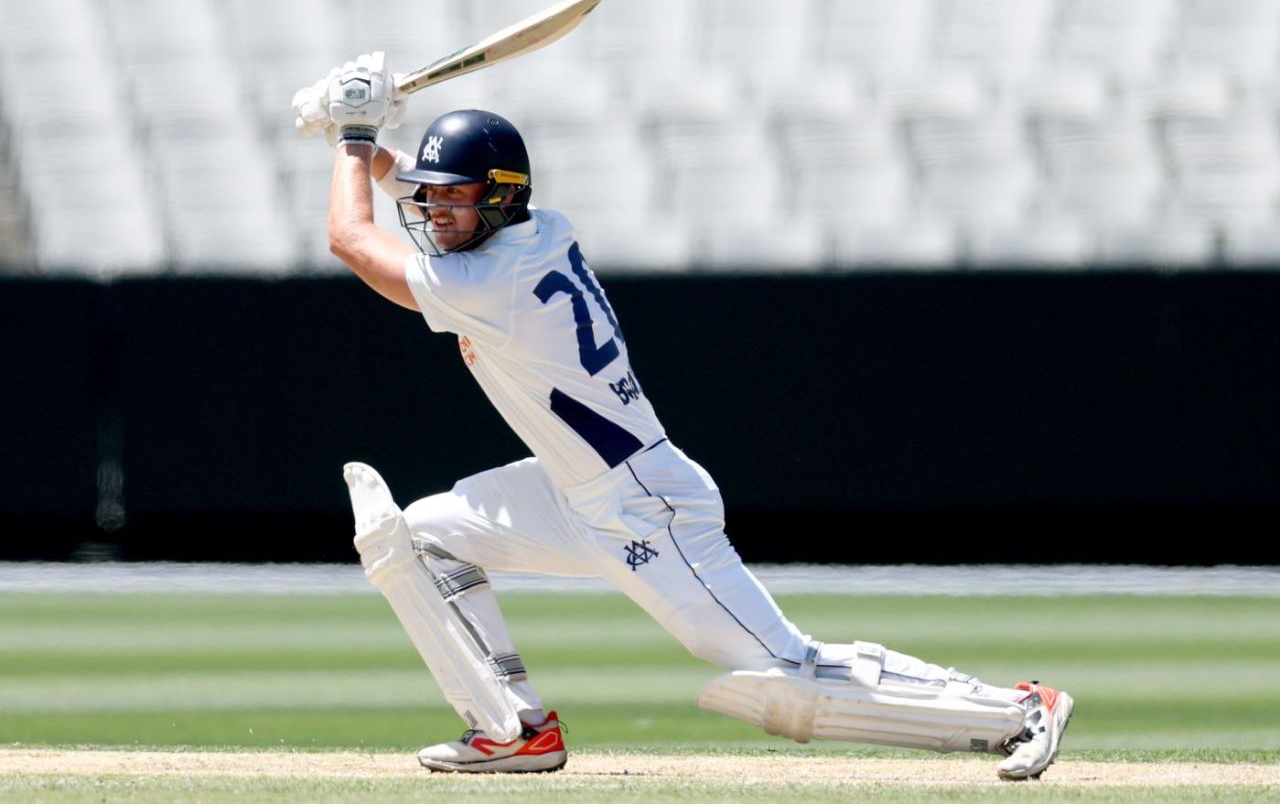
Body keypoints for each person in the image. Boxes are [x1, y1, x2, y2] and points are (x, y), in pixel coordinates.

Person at [291, 53, 1073, 779]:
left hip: (643, 505)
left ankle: (1019, 707)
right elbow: (411, 199)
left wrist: (356, 134)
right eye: (433, 194)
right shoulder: (538, 230)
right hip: (571, 489)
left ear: (498, 197)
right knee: (422, 537)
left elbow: (350, 238)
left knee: (785, 670)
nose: (435, 210)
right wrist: (364, 143)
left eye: (454, 196)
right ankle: (513, 730)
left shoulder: (490, 282)